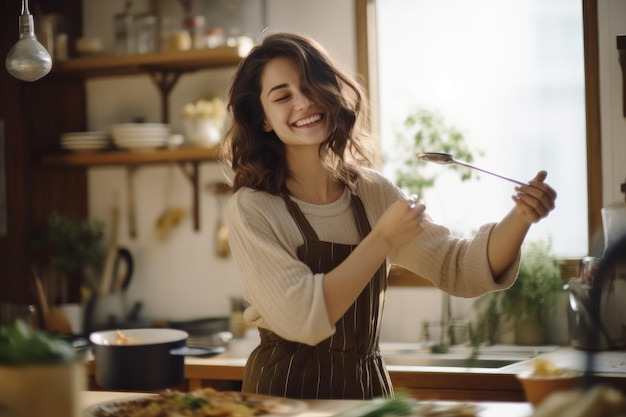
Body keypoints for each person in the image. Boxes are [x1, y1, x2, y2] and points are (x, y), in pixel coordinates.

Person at [221, 32, 557, 400]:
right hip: (284, 397)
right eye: (282, 96)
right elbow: (302, 316)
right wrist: (382, 239)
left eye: (310, 85)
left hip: (366, 395)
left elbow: (459, 268)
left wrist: (522, 216)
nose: (302, 102)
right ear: (264, 119)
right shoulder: (253, 207)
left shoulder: (372, 192)